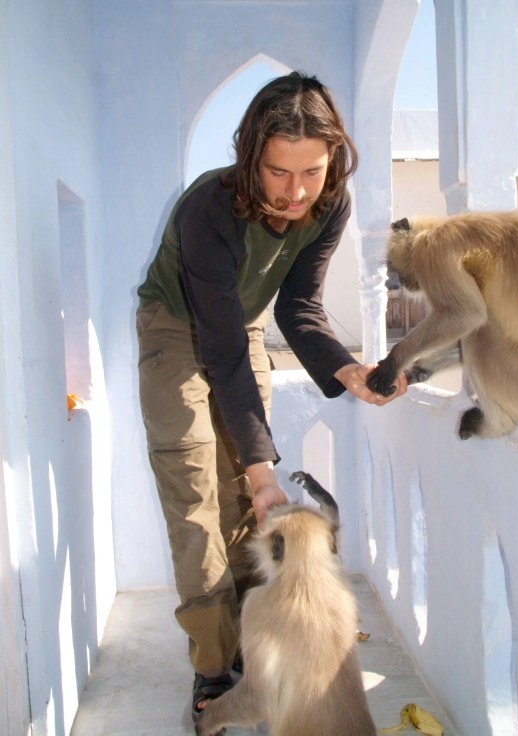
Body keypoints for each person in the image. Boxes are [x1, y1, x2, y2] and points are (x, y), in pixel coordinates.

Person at [136, 71, 407, 723]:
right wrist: (263, 470)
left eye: (310, 171)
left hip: (243, 322)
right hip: (176, 323)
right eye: (278, 173)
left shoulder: (328, 202)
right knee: (196, 493)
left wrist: (345, 370)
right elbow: (221, 349)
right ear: (249, 157)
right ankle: (213, 669)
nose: (295, 192)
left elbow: (300, 305)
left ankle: (260, 655)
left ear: (332, 159)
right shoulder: (208, 208)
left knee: (242, 496)